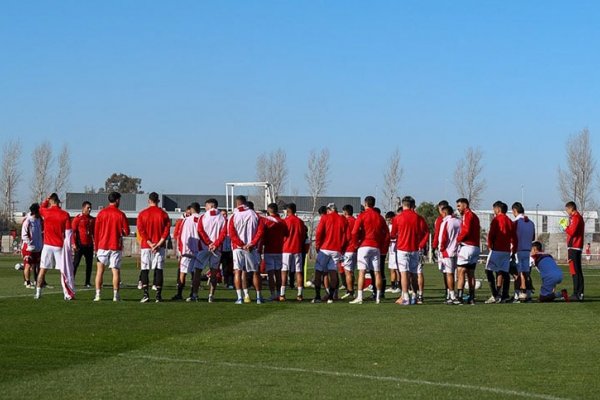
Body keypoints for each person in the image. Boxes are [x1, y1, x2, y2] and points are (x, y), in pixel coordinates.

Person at [35, 193, 75, 301]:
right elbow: (68, 232)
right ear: (58, 201)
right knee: (63, 270)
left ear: (51, 201)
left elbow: (40, 208)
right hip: (59, 246)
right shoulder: (64, 214)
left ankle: (38, 293)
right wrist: (70, 246)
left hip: (47, 245)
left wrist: (46, 200)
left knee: (43, 269)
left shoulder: (46, 212)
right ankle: (67, 294)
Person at [390, 196, 429, 305]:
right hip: (414, 248)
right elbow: (426, 232)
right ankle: (415, 296)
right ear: (412, 205)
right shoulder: (418, 218)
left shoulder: (398, 218)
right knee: (414, 274)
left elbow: (393, 234)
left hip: (402, 248)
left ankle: (405, 296)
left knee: (403, 273)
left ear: (403, 205)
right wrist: (421, 244)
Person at [350, 196, 388, 304]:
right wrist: (382, 246)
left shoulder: (362, 215)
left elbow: (354, 232)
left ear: (365, 203)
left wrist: (355, 244)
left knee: (361, 271)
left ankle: (360, 297)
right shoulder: (380, 217)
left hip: (364, 245)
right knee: (377, 272)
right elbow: (386, 234)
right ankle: (378, 297)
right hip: (375, 246)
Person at [93, 192, 130, 302]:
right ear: (117, 200)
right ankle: (115, 295)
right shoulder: (120, 214)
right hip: (115, 246)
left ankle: (98, 295)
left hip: (102, 245)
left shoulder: (101, 213)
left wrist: (96, 246)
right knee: (115, 271)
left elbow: (96, 231)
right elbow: (127, 231)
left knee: (100, 271)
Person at [229, 195, 265, 304]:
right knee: (255, 272)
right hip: (251, 247)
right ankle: (258, 297)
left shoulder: (234, 215)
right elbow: (260, 231)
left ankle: (241, 297)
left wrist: (241, 244)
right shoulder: (254, 214)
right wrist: (252, 243)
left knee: (238, 272)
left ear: (237, 203)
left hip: (238, 248)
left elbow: (231, 233)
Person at [136, 192, 171, 303]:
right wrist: (159, 243)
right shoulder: (163, 214)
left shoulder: (142, 214)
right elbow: (166, 231)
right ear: (158, 201)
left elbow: (141, 230)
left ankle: (146, 294)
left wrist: (150, 243)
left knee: (145, 269)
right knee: (159, 269)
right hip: (159, 246)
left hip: (147, 246)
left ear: (149, 200)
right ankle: (158, 296)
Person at [191, 198, 227, 303]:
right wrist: (215, 244)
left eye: (206, 206)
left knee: (197, 271)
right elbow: (223, 234)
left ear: (211, 206)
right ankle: (211, 295)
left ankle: (195, 294)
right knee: (214, 272)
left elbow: (200, 231)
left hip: (204, 248)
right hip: (217, 249)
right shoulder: (222, 218)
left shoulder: (203, 217)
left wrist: (208, 243)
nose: (205, 208)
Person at [313, 203, 348, 303]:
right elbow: (346, 236)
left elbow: (319, 232)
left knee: (318, 272)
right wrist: (341, 248)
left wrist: (318, 245)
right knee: (333, 272)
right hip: (336, 249)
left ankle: (318, 296)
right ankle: (331, 297)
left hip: (325, 248)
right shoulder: (343, 219)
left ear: (329, 209)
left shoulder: (325, 217)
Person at [484, 201, 514, 304]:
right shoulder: (510, 221)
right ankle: (505, 295)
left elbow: (491, 235)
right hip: (506, 250)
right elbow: (514, 237)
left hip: (497, 249)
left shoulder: (496, 220)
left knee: (488, 270)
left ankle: (495, 294)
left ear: (498, 209)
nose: (494, 211)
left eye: (494, 209)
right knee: (504, 272)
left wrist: (490, 246)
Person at [172, 203, 200, 301]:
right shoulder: (202, 219)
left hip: (187, 250)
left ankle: (179, 294)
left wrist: (181, 250)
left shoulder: (186, 220)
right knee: (195, 272)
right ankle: (193, 294)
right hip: (198, 250)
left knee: (183, 272)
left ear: (191, 210)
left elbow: (181, 236)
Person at [455, 198, 481, 305]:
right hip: (475, 247)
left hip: (467, 247)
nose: (458, 208)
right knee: (471, 273)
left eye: (459, 206)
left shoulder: (467, 215)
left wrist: (457, 240)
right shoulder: (475, 216)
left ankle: (459, 297)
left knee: (460, 272)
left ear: (465, 205)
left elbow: (466, 230)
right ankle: (471, 297)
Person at [262, 203, 289, 301]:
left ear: (269, 210)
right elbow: (287, 233)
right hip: (279, 250)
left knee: (270, 273)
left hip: (269, 250)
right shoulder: (282, 222)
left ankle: (273, 294)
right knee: (278, 273)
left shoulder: (266, 221)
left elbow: (262, 234)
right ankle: (280, 293)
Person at [281, 203, 307, 301]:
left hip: (286, 249)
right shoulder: (300, 222)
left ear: (288, 211)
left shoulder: (285, 221)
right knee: (298, 271)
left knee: (284, 271)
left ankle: (282, 294)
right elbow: (303, 236)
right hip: (297, 249)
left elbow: (283, 236)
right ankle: (299, 294)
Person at [511, 202, 536, 302]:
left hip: (519, 249)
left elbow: (512, 238)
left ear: (515, 210)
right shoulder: (530, 222)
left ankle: (521, 293)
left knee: (519, 273)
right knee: (526, 272)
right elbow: (533, 237)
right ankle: (528, 293)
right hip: (527, 249)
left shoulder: (516, 223)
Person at [438, 205, 461, 304]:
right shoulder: (459, 221)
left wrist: (441, 249)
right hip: (459, 250)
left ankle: (451, 295)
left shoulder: (445, 222)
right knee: (458, 273)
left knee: (449, 273)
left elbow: (443, 237)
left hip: (448, 251)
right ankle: (458, 293)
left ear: (444, 212)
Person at [71, 201, 95, 288]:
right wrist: (74, 243)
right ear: (83, 208)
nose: (90, 209)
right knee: (75, 263)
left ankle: (87, 282)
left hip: (89, 245)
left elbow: (94, 233)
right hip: (80, 245)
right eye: (88, 208)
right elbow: (73, 232)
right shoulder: (77, 219)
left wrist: (95, 243)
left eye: (90, 208)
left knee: (89, 264)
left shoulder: (92, 219)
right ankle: (71, 280)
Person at [565, 201, 584, 301]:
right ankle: (578, 293)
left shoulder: (575, 218)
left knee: (575, 271)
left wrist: (565, 227)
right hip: (575, 247)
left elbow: (572, 232)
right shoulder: (576, 217)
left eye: (567, 209)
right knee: (577, 271)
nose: (567, 212)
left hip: (574, 247)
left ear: (571, 208)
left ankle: (577, 293)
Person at [21, 203, 43, 289]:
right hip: (28, 248)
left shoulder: (38, 220)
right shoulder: (28, 221)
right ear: (35, 212)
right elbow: (24, 235)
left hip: (38, 247)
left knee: (38, 265)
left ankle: (37, 281)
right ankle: (27, 282)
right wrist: (29, 242)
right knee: (28, 265)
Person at [432, 200, 450, 301]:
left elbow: (438, 234)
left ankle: (448, 290)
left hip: (444, 249)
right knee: (453, 271)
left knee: (445, 271)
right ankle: (452, 291)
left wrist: (434, 246)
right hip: (454, 249)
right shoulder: (455, 219)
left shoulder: (440, 220)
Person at [341, 204, 357, 299]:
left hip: (348, 249)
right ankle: (352, 290)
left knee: (347, 272)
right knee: (352, 272)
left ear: (346, 212)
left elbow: (345, 236)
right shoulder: (355, 220)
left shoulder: (346, 221)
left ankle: (350, 291)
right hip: (355, 249)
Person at [384, 211, 400, 295]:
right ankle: (393, 285)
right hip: (391, 250)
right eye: (387, 220)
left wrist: (391, 239)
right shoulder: (389, 226)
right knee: (391, 268)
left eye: (390, 219)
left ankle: (398, 285)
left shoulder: (396, 225)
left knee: (397, 268)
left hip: (396, 248)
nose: (389, 221)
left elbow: (397, 236)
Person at [220, 209, 234, 289]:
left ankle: (229, 282)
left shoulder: (229, 223)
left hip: (228, 249)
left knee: (228, 267)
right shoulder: (219, 223)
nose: (224, 216)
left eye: (225, 214)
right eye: (222, 214)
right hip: (220, 248)